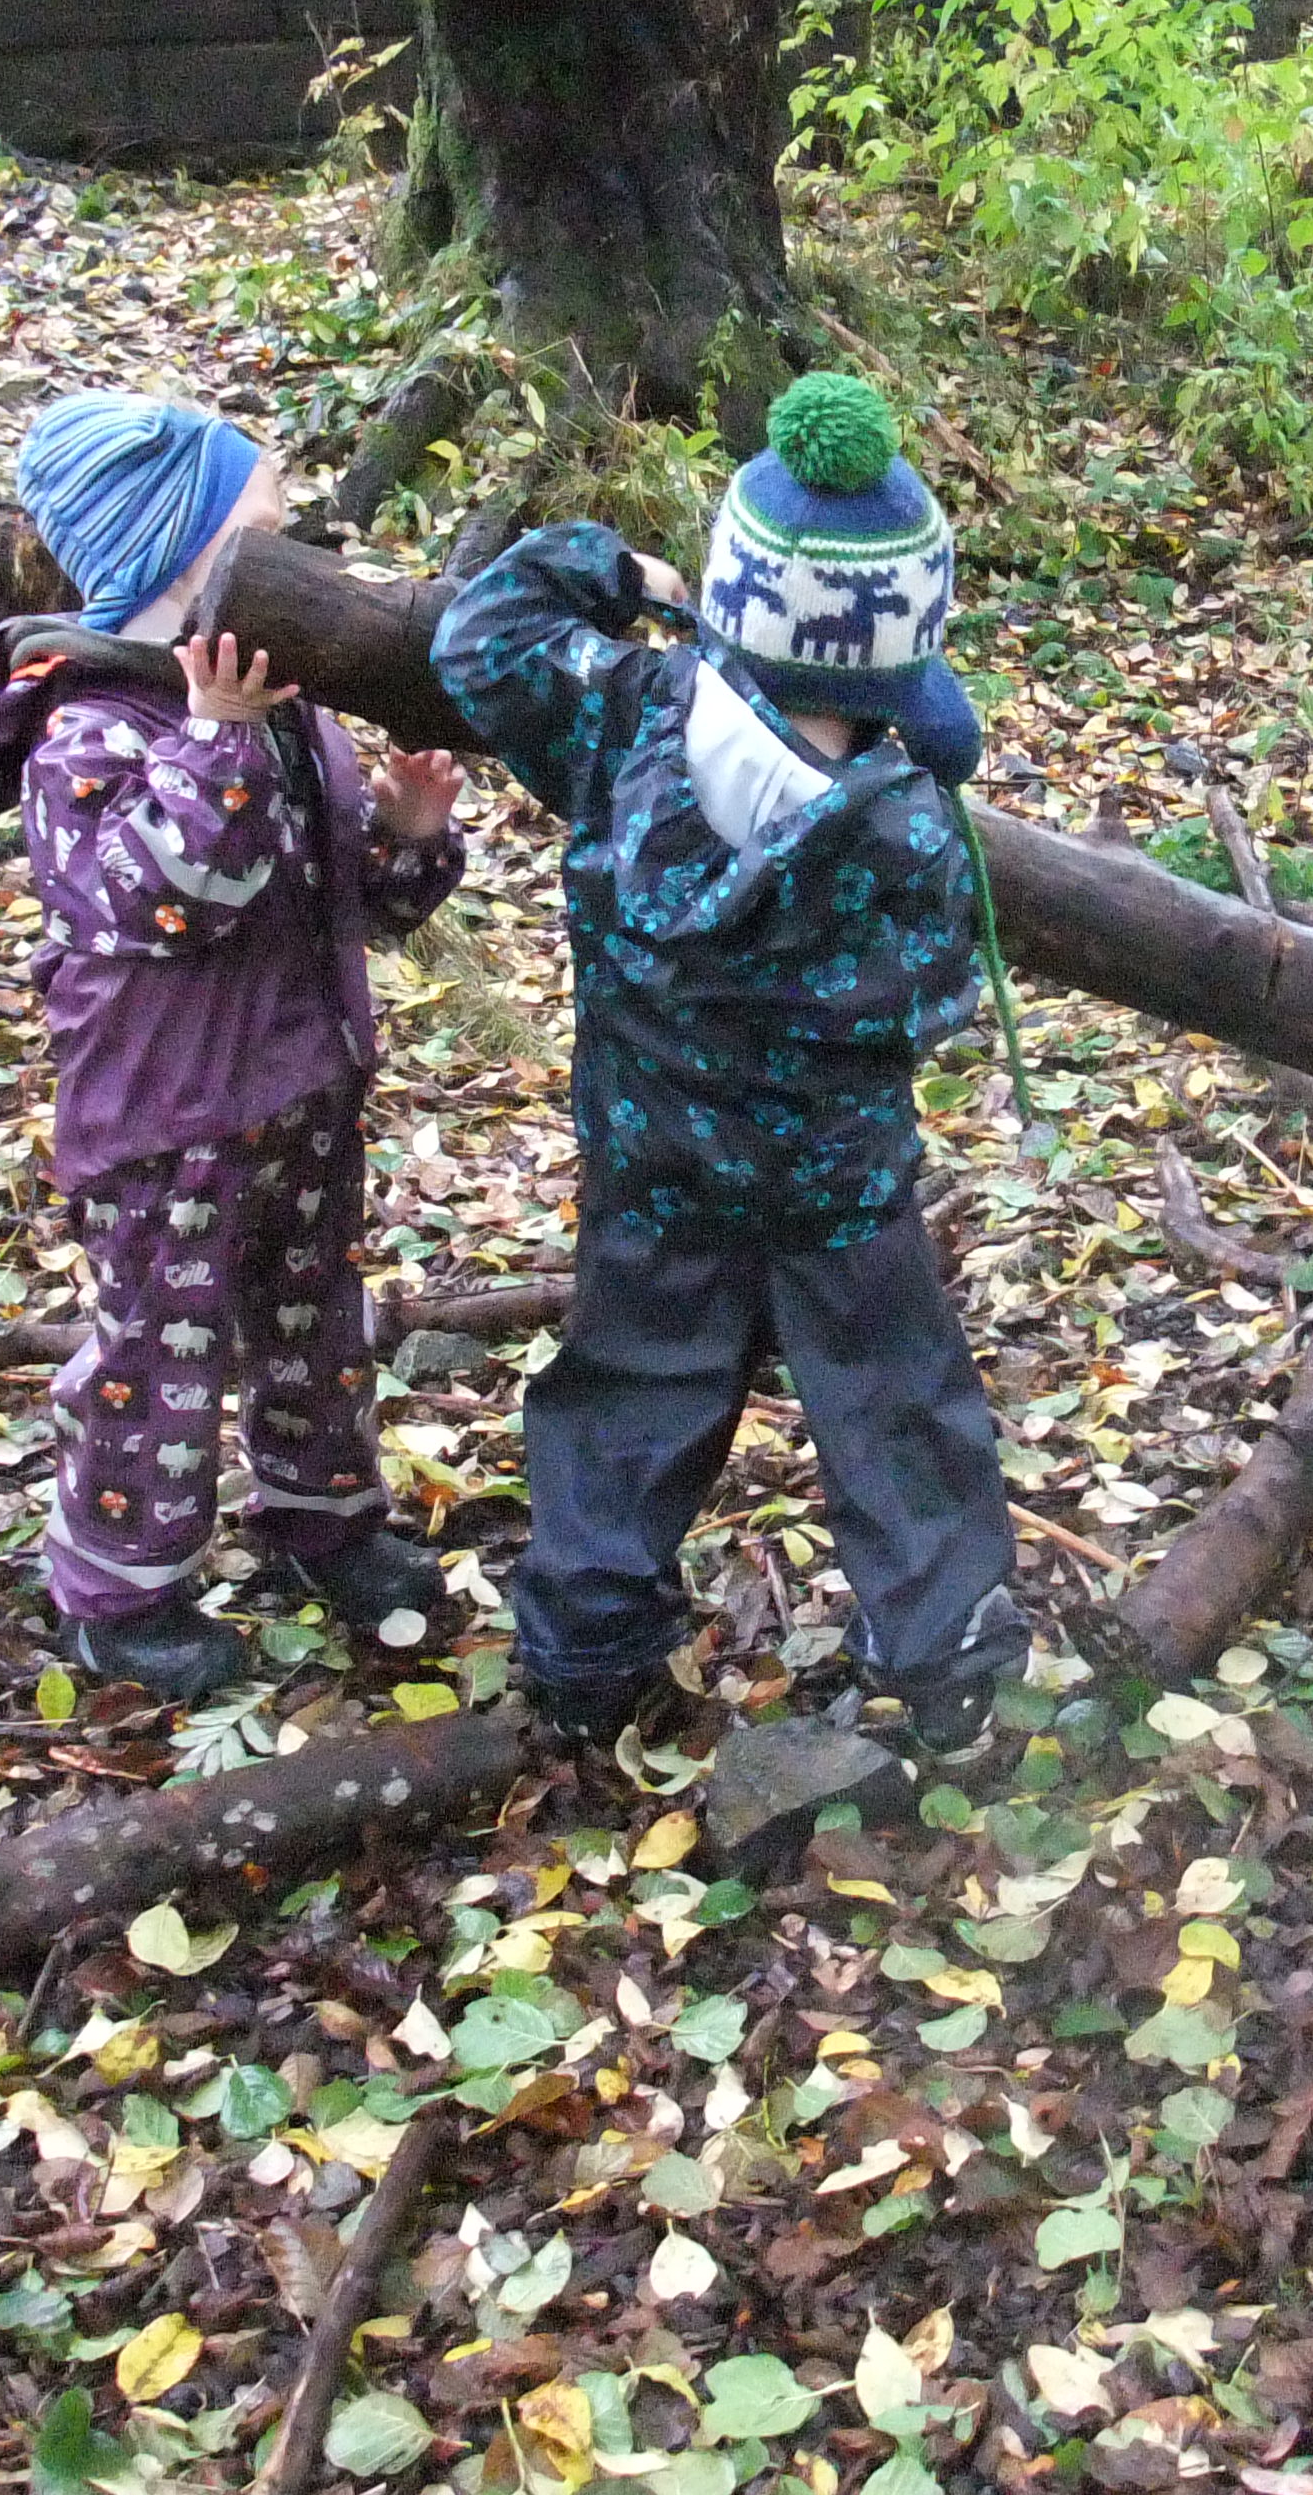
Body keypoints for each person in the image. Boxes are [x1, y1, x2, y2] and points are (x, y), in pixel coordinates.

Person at [432, 371, 1028, 1758]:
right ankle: (943, 1657)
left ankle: (583, 1651)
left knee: (630, 1388)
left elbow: (481, 639)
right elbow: (932, 1004)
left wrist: (621, 571)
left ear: (727, 600)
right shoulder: (908, 833)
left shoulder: (625, 712)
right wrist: (909, 735)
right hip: (838, 1185)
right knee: (896, 1400)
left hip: (654, 1159)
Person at [0, 392, 469, 1696]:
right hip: (169, 1115)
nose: (296, 559)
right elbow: (167, 901)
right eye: (266, 536)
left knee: (315, 1331)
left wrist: (403, 833)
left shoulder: (288, 704)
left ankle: (321, 1521)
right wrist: (220, 741)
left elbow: (358, 903)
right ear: (182, 558)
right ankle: (117, 1594)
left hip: (304, 1089)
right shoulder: (90, 726)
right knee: (156, 1358)